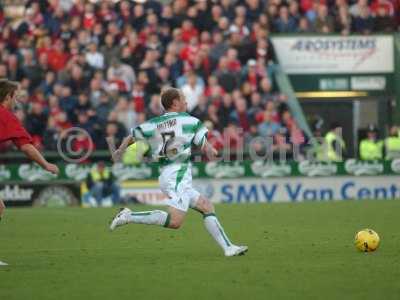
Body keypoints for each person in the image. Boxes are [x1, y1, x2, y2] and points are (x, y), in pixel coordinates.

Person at [109, 87, 248, 257]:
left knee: (206, 206)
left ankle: (228, 248)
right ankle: (129, 216)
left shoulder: (154, 123)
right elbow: (202, 140)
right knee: (175, 222)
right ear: (175, 103)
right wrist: (210, 148)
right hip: (177, 173)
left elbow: (131, 135)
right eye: (183, 98)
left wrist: (119, 150)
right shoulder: (188, 120)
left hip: (168, 173)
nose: (186, 102)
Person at [0, 79, 59, 223]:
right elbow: (25, 146)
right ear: (8, 96)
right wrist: (46, 164)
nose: (16, 101)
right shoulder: (5, 115)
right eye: (15, 97)